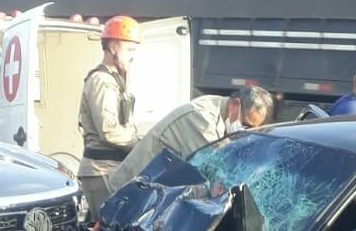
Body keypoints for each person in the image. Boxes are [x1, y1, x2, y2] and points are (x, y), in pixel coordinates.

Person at [105, 85, 274, 196]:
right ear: (235, 105)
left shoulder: (221, 112)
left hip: (148, 191)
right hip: (127, 192)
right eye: (246, 124)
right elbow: (213, 169)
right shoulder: (203, 119)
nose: (244, 131)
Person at [77, 16, 141, 216]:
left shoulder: (115, 80)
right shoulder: (102, 81)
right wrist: (142, 143)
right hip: (101, 171)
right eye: (129, 50)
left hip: (110, 170)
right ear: (114, 47)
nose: (133, 56)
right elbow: (108, 131)